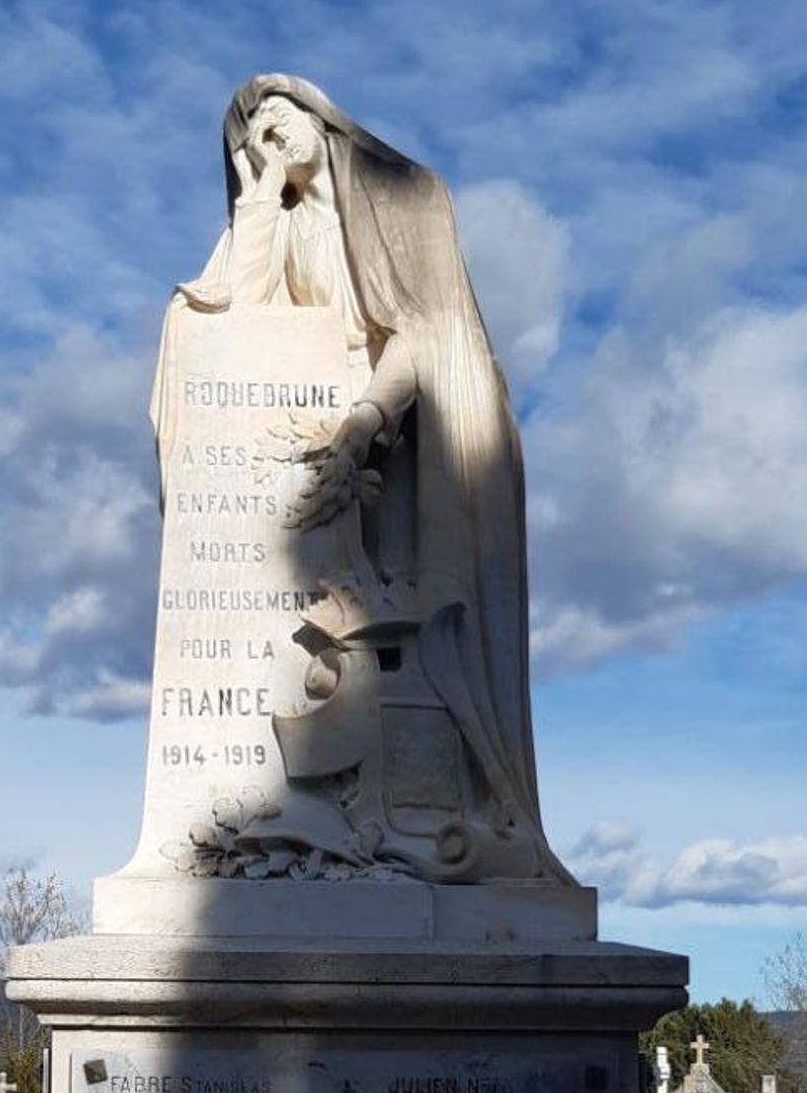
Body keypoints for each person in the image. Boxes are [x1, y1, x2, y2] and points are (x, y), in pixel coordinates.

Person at [152, 75, 572, 886]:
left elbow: (428, 336)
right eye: (257, 134)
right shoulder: (280, 220)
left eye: (282, 117)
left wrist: (366, 419)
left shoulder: (396, 210)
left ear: (322, 119)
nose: (273, 135)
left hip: (391, 440)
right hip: (320, 447)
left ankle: (419, 808)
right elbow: (236, 315)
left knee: (394, 637)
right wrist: (260, 195)